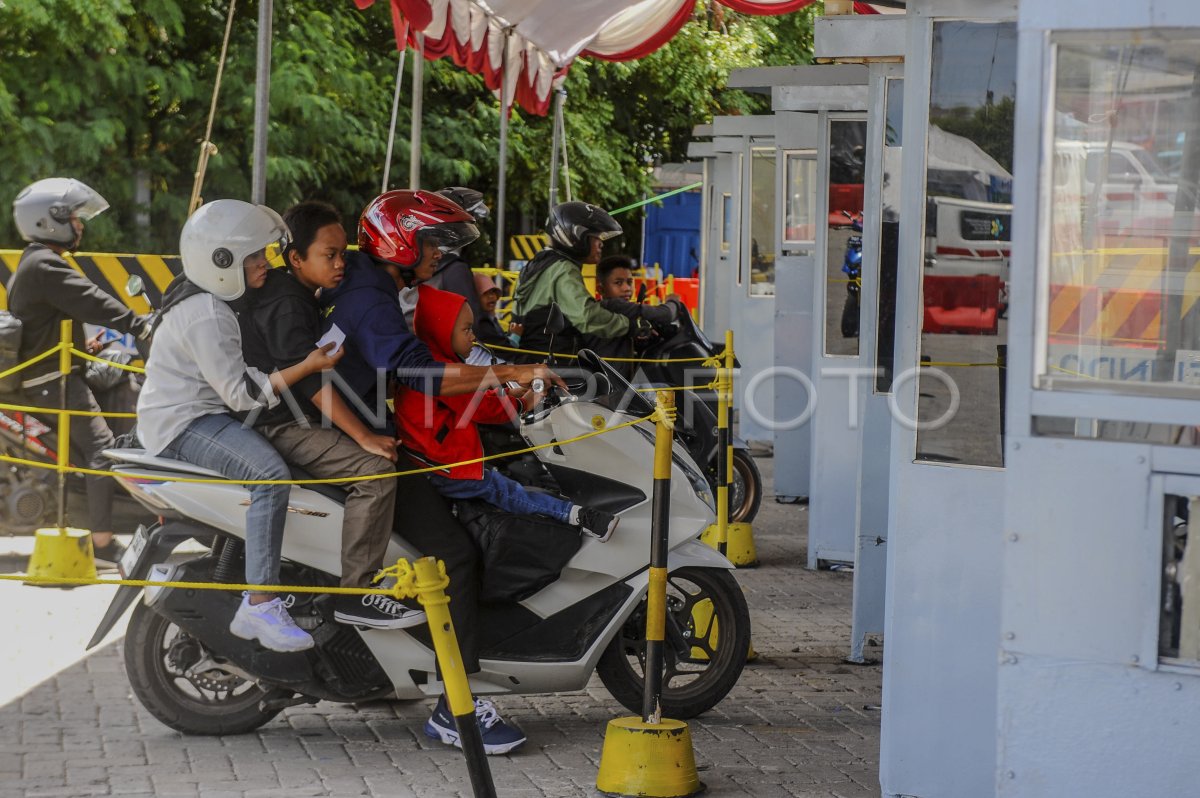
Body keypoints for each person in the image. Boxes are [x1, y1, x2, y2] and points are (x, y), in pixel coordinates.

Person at [311, 189, 562, 755]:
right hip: (354, 446)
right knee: (455, 556)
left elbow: (427, 354)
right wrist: (511, 370)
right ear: (399, 241)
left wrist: (496, 370)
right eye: (431, 242)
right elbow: (420, 372)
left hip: (365, 435)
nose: (439, 254)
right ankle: (456, 705)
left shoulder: (376, 288)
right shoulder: (373, 298)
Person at [137, 199, 341, 653]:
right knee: (269, 476)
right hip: (184, 424)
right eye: (253, 258)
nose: (264, 264)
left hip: (199, 414)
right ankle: (261, 603)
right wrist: (307, 365)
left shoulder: (211, 302)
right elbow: (243, 394)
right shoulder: (208, 314)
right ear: (222, 262)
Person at [238, 200, 424, 630]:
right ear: (296, 258)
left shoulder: (297, 293)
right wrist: (363, 438)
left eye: (344, 254)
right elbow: (311, 383)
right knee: (376, 472)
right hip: (281, 424)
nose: (341, 264)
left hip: (286, 416)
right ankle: (357, 592)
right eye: (329, 255)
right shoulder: (289, 303)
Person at [397, 284, 619, 541]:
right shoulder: (444, 372)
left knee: (503, 481)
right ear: (441, 331)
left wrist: (513, 394)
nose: (473, 338)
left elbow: (477, 398)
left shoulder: (438, 363)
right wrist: (525, 402)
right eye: (467, 330)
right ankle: (578, 516)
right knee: (504, 490)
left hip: (432, 456)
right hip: (444, 466)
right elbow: (484, 409)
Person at [8, 178, 153, 566]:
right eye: (74, 217)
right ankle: (103, 545)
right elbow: (91, 300)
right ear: (49, 220)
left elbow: (49, 320)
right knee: (101, 451)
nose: (81, 225)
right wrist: (138, 325)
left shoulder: (38, 262)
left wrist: (84, 347)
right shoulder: (46, 265)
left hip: (55, 374)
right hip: (51, 382)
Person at [511, 201, 630, 360]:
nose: (601, 243)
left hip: (532, 358)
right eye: (595, 237)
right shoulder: (563, 269)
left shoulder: (541, 263)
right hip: (553, 365)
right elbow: (586, 316)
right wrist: (630, 325)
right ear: (576, 236)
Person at [584, 254, 682, 378]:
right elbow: (665, 314)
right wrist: (673, 302)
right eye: (618, 283)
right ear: (601, 289)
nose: (626, 288)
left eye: (629, 282)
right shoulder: (612, 306)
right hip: (610, 386)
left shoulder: (608, 310)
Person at [471, 272, 513, 349]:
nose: (491, 296)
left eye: (493, 292)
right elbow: (503, 349)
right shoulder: (480, 324)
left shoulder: (491, 318)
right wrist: (516, 335)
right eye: (485, 293)